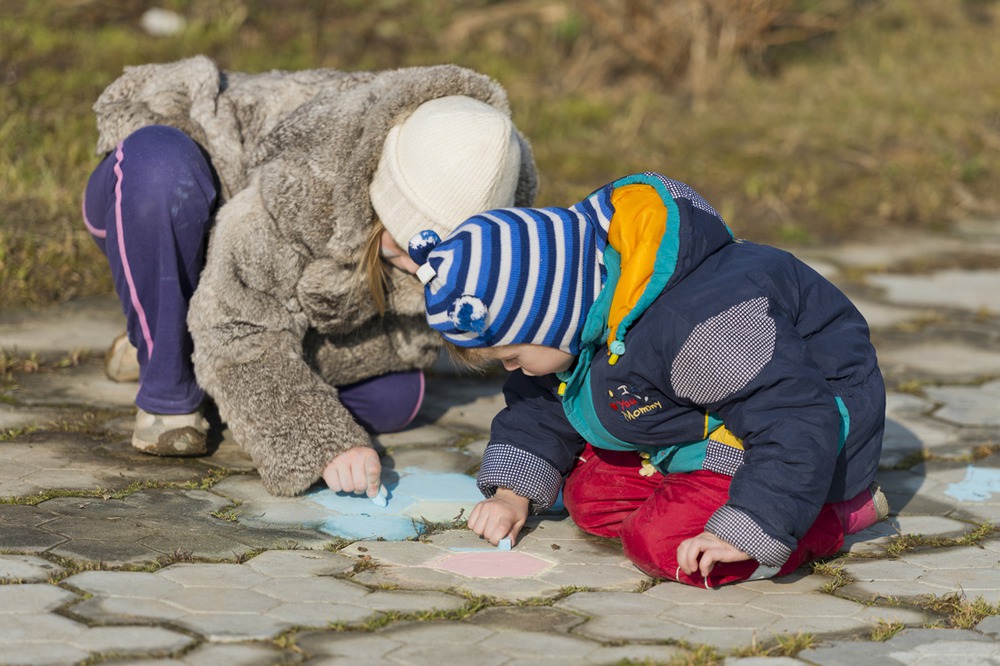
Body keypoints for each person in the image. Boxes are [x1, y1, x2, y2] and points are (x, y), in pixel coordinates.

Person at [82, 56, 538, 497]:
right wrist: (323, 442)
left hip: (266, 276)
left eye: (441, 259)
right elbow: (239, 325)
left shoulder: (485, 171)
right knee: (160, 171)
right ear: (381, 202)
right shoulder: (307, 183)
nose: (423, 269)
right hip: (168, 200)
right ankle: (168, 380)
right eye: (412, 243)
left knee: (398, 397)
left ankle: (176, 343)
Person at [406, 171, 888, 588]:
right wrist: (514, 494)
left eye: (512, 355)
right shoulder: (590, 308)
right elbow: (543, 401)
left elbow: (794, 417)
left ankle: (832, 517)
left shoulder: (701, 328)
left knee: (657, 543)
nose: (510, 368)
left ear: (550, 318)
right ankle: (697, 489)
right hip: (710, 418)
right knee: (590, 497)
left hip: (808, 431)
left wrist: (749, 525)